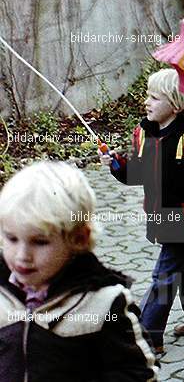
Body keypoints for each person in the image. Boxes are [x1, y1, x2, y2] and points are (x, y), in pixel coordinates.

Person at [100, 68, 184, 355]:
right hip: (158, 214)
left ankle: (147, 334)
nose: (147, 102)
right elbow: (137, 173)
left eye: (154, 97)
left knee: (164, 275)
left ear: (177, 104)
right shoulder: (144, 134)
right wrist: (116, 164)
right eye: (147, 96)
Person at [0, 161, 158, 380]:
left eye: (40, 242)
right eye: (12, 238)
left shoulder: (104, 302)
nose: (22, 255)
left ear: (79, 239)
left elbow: (138, 372)